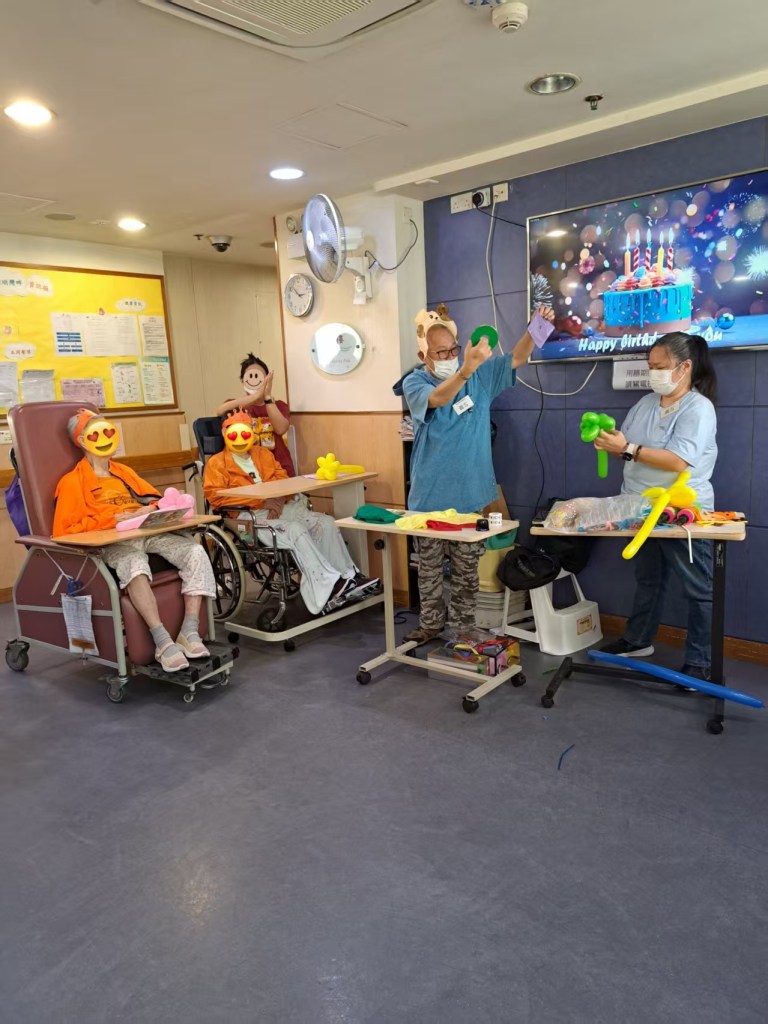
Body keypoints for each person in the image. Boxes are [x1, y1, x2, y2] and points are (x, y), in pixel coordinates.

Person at [402, 302, 554, 644]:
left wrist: (537, 328)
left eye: (453, 349)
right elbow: (438, 399)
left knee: (466, 569)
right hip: (428, 497)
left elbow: (517, 358)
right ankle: (430, 625)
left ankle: (463, 627)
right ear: (424, 355)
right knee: (428, 569)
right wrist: (465, 370)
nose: (449, 356)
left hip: (470, 494)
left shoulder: (481, 376)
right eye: (440, 352)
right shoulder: (416, 381)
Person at [595, 332, 718, 681]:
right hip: (639, 507)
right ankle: (637, 640)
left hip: (681, 513)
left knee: (699, 589)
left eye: (660, 367)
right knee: (648, 579)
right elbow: (628, 448)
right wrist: (610, 443)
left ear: (685, 367)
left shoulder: (698, 408)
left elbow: (678, 460)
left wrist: (628, 449)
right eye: (651, 366)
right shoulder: (646, 403)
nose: (653, 374)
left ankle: (701, 661)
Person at [53, 409, 215, 673]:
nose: (105, 438)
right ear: (82, 440)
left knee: (195, 552)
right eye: (96, 434)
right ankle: (162, 641)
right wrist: (114, 518)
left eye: (108, 431)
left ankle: (189, 630)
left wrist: (151, 509)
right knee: (135, 564)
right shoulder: (71, 482)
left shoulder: (124, 472)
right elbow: (65, 530)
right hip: (113, 543)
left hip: (145, 532)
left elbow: (151, 497)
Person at [203, 410, 378, 615]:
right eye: (234, 434)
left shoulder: (264, 454)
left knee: (326, 522)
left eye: (245, 433)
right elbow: (216, 498)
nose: (240, 439)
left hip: (281, 507)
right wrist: (262, 501)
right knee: (295, 529)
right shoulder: (216, 463)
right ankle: (329, 586)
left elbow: (283, 479)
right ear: (225, 434)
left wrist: (278, 500)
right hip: (248, 517)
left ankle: (349, 577)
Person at [216, 353, 295, 476]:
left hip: (280, 469)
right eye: (250, 376)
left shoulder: (278, 405)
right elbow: (220, 411)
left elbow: (280, 429)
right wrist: (255, 397)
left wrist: (267, 397)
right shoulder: (235, 407)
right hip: (250, 472)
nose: (254, 380)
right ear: (242, 380)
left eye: (259, 377)